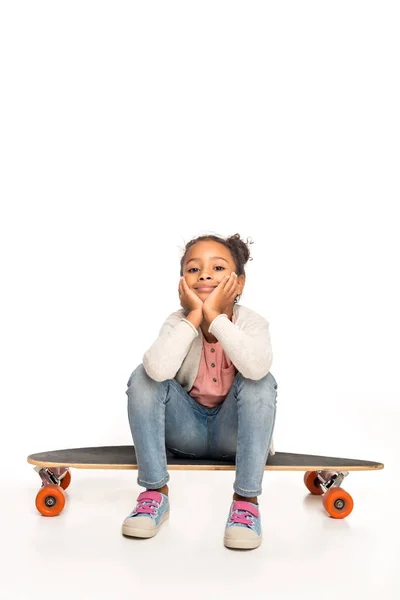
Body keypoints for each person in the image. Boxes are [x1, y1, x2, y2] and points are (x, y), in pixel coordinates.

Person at [122, 233, 278, 550]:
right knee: (144, 375)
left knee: (260, 380)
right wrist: (194, 317)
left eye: (217, 268)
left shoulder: (253, 323)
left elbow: (256, 368)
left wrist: (217, 318)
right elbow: (159, 370)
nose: (204, 275)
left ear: (240, 283)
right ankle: (155, 495)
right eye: (193, 269)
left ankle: (246, 502)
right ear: (182, 283)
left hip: (233, 437)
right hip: (185, 434)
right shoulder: (177, 321)